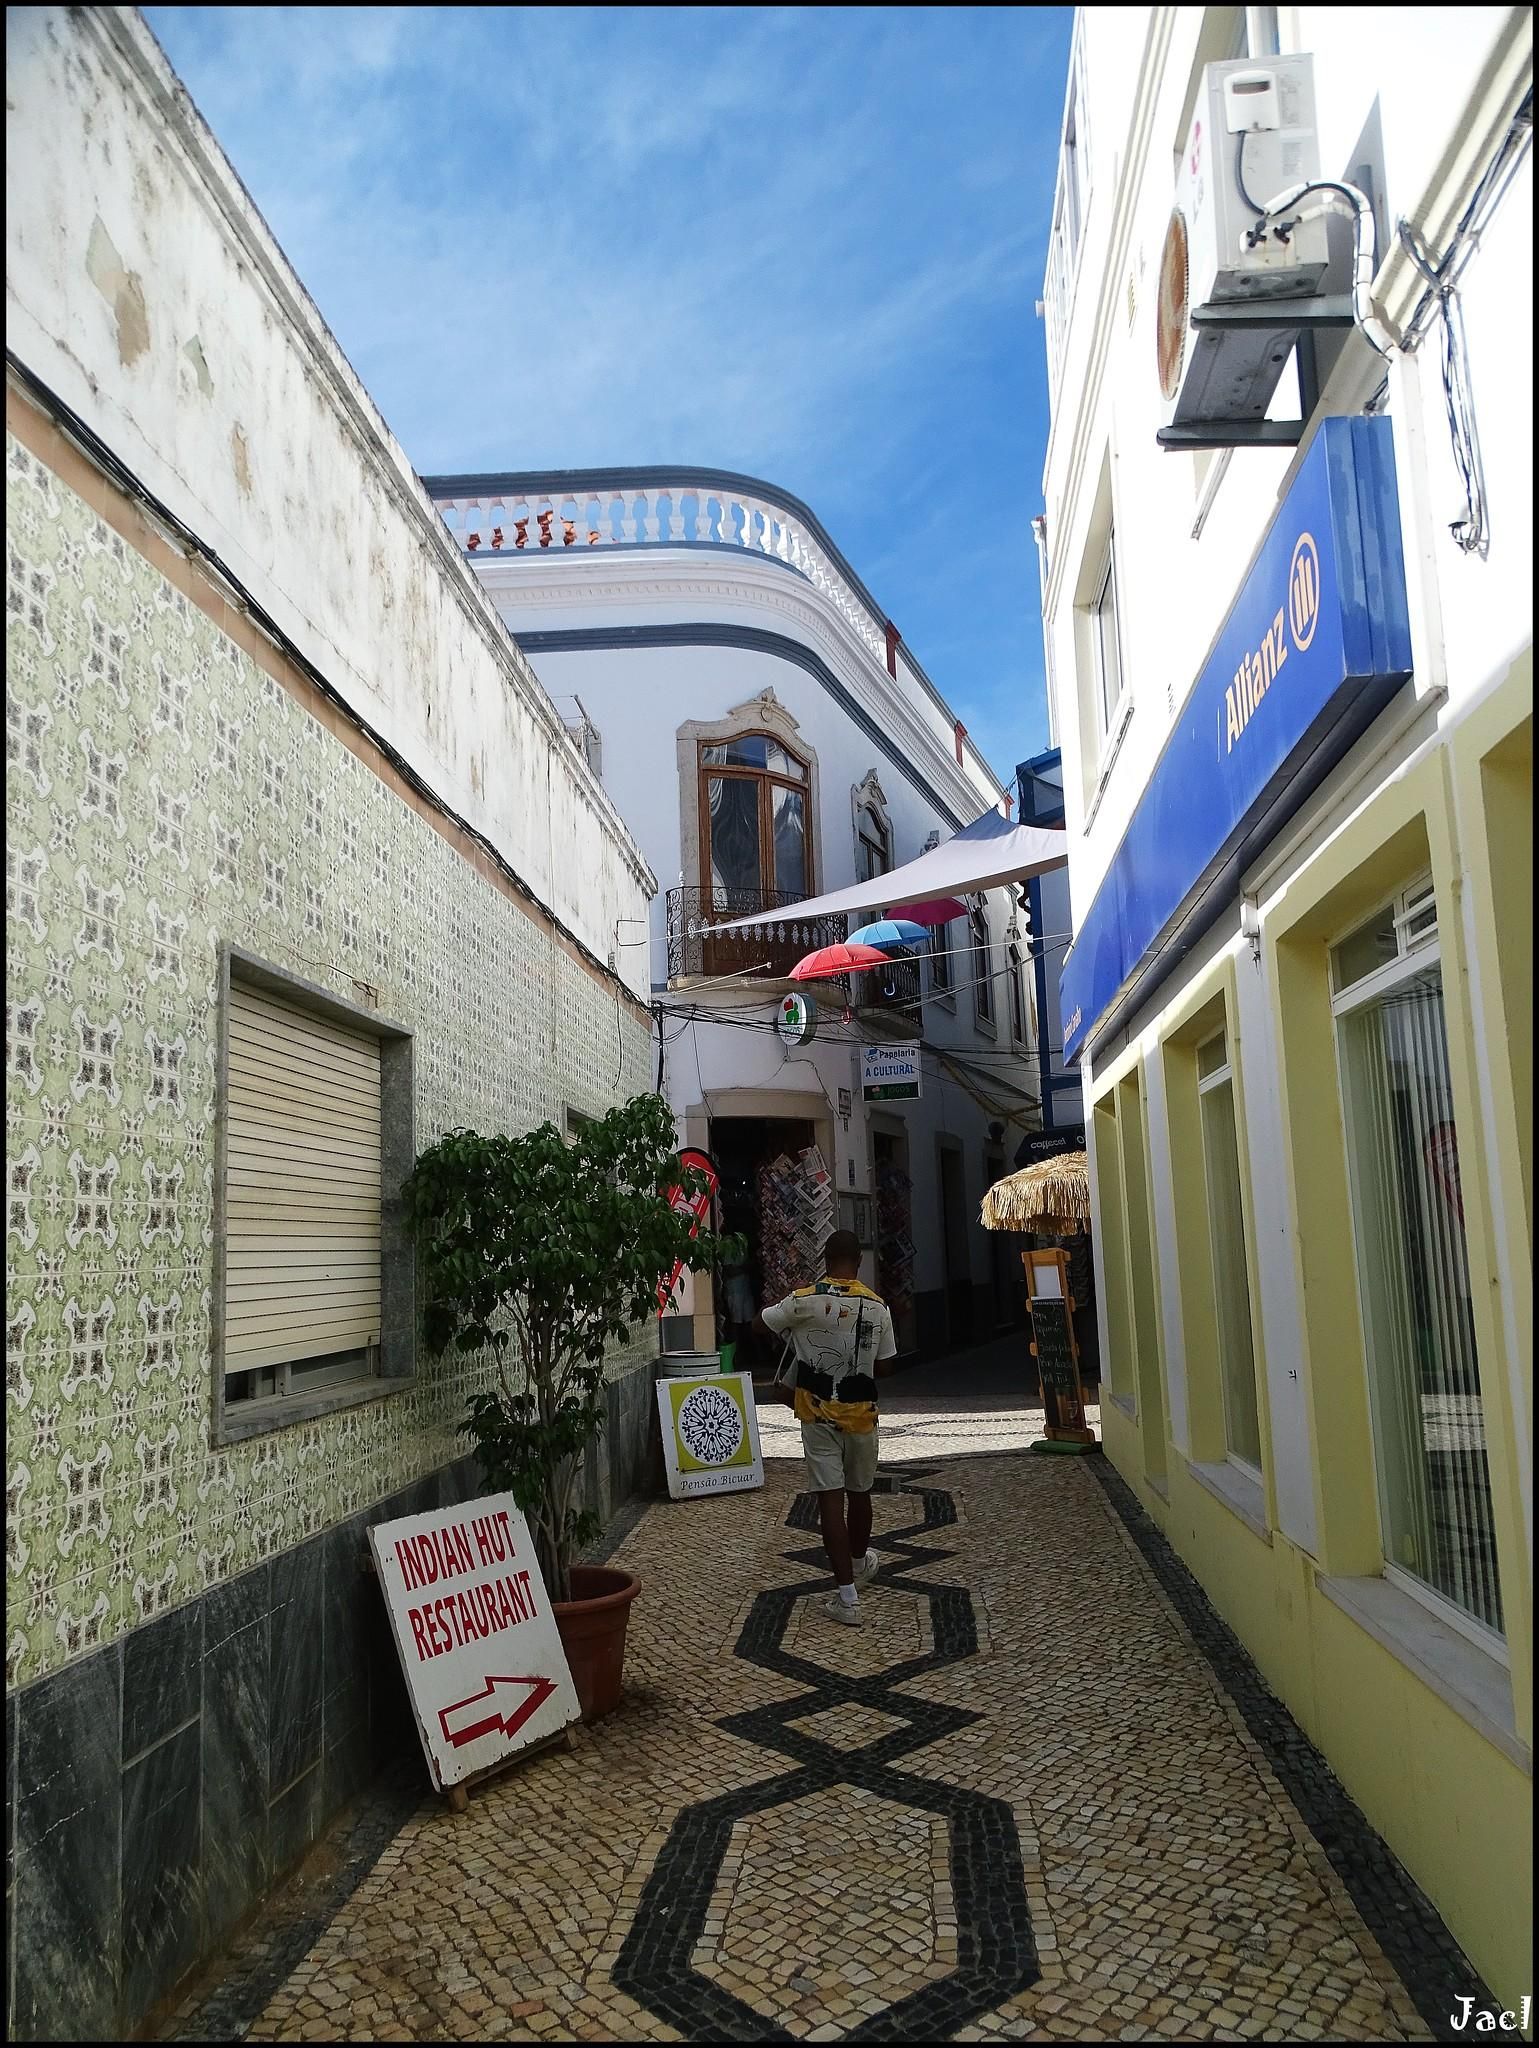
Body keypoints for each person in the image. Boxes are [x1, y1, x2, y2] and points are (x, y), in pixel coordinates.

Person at [755, 1229, 897, 1628]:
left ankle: (847, 1598)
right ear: (859, 1262)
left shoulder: (804, 1301)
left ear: (824, 1258)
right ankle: (858, 1563)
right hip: (862, 1416)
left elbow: (756, 1325)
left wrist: (801, 1335)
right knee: (861, 1494)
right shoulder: (877, 1308)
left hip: (817, 1416)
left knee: (830, 1503)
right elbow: (886, 1366)